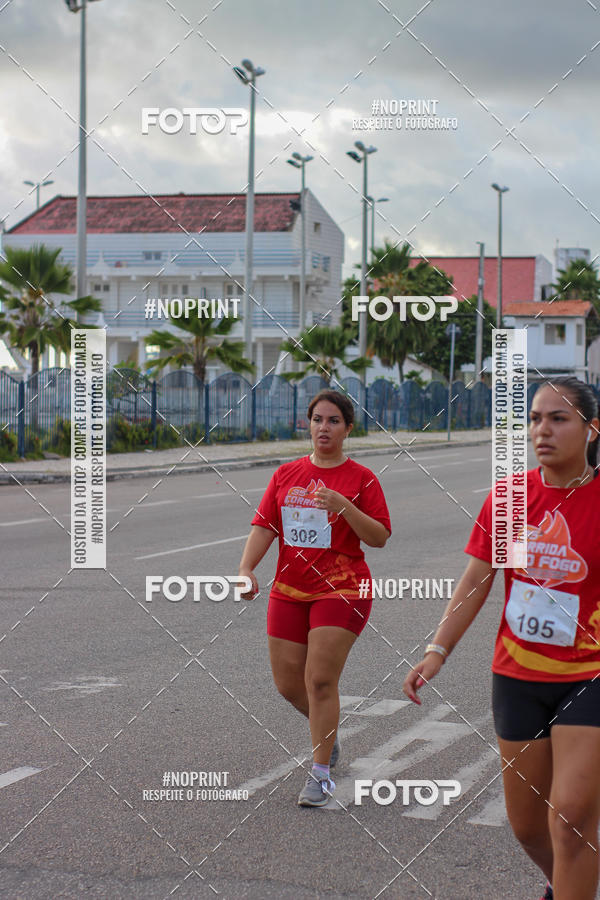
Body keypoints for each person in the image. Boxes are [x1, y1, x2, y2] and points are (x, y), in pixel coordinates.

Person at [403, 376, 600, 900]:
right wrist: (436, 650)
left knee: (572, 820)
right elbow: (475, 582)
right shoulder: (511, 498)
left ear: (591, 429)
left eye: (559, 418)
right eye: (535, 418)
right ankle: (567, 886)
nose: (542, 429)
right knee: (529, 827)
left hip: (590, 676)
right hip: (517, 677)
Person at [238, 389, 391, 807]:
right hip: (289, 589)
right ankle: (328, 734)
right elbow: (265, 526)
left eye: (334, 421)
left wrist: (344, 506)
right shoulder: (286, 474)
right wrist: (246, 570)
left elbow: (378, 536)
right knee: (288, 685)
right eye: (318, 419)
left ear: (348, 429)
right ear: (308, 424)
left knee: (320, 680)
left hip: (343, 588)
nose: (324, 427)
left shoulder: (361, 479)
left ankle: (320, 774)